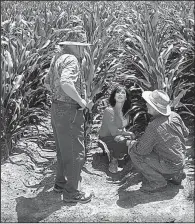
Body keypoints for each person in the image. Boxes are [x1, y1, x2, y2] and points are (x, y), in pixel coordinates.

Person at [44, 41, 94, 203]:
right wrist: (81, 101)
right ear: (75, 46)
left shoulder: (57, 59)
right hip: (69, 111)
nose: (84, 50)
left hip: (57, 109)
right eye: (83, 47)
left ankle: (60, 184)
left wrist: (59, 97)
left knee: (62, 150)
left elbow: (46, 82)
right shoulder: (71, 60)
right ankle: (72, 193)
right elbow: (66, 83)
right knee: (75, 152)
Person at [128, 90, 189, 193]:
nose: (146, 104)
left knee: (134, 152)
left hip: (170, 164)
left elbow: (141, 151)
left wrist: (131, 144)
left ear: (156, 109)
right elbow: (186, 133)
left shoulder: (154, 126)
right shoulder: (175, 115)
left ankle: (158, 182)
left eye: (149, 103)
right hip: (180, 161)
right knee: (164, 151)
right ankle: (176, 174)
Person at [98, 85, 135, 173]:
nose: (120, 94)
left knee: (132, 143)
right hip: (106, 138)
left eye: (123, 93)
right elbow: (114, 131)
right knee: (123, 140)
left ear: (126, 98)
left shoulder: (126, 113)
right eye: (118, 92)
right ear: (114, 96)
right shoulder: (109, 110)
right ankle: (113, 160)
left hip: (118, 136)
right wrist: (128, 134)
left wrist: (128, 136)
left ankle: (123, 159)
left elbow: (123, 128)